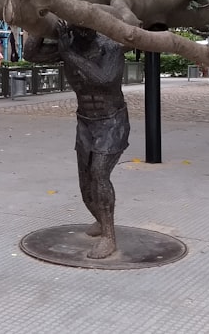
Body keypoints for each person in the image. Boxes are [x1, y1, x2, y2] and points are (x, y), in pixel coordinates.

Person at [24, 22, 128, 259]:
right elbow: (30, 54)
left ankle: (109, 237)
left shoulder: (109, 47)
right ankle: (101, 220)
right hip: (86, 122)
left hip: (112, 121)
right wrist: (38, 23)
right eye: (76, 30)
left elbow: (104, 79)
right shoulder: (67, 45)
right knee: (86, 187)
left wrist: (68, 54)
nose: (81, 33)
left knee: (100, 174)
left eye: (86, 29)